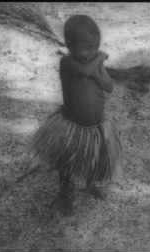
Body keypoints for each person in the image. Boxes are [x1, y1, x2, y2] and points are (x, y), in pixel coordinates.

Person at [29, 15, 122, 215]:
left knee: (92, 158)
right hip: (72, 126)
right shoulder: (67, 63)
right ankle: (63, 191)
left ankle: (90, 184)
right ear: (70, 46)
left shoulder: (93, 65)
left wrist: (99, 70)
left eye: (95, 47)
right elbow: (85, 72)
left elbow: (110, 86)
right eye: (87, 48)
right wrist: (99, 59)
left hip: (95, 126)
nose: (93, 52)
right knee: (67, 161)